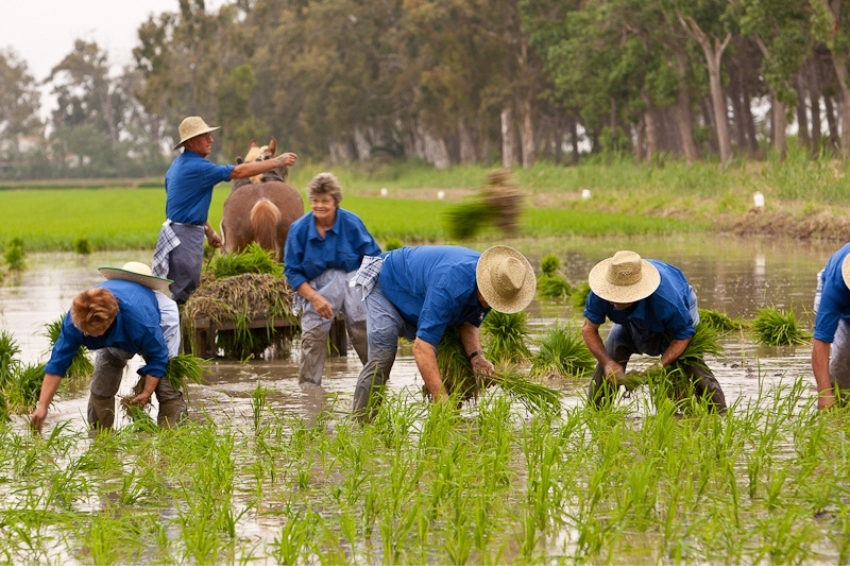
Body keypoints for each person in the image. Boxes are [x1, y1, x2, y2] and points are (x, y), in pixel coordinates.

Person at [351, 245, 536, 418]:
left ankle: (447, 420)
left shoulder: (499, 283)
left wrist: (477, 357)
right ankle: (363, 422)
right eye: (492, 299)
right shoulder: (450, 285)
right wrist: (441, 399)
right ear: (483, 286)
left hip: (421, 296)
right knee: (383, 354)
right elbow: (421, 348)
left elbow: (468, 322)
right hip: (388, 284)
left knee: (449, 356)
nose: (492, 305)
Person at [153, 116, 298, 305]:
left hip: (183, 232)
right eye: (205, 136)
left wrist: (210, 232)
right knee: (185, 292)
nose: (210, 140)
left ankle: (179, 331)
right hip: (186, 238)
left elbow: (183, 207)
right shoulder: (197, 167)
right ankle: (178, 333)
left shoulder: (176, 167)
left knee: (183, 289)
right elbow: (238, 172)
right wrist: (277, 162)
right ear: (190, 142)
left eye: (209, 136)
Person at [31, 262, 186, 432]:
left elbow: (158, 358)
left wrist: (146, 392)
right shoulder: (76, 322)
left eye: (90, 332)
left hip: (148, 325)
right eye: (83, 329)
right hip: (119, 329)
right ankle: (100, 439)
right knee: (102, 384)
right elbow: (57, 365)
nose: (84, 336)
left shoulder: (142, 323)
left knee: (167, 386)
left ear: (109, 324)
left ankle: (173, 438)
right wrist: (42, 406)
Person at [582, 250, 726, 411]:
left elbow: (684, 334)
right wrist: (608, 363)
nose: (611, 300)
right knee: (611, 353)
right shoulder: (602, 292)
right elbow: (588, 329)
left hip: (677, 312)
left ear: (633, 295)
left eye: (619, 296)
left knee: (689, 363)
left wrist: (660, 364)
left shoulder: (667, 301)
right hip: (629, 319)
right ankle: (595, 412)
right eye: (612, 293)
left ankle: (719, 413)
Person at [284, 172, 381, 386]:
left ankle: (376, 382)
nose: (320, 206)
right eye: (315, 201)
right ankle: (309, 391)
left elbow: (373, 259)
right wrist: (315, 299)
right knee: (313, 336)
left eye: (325, 201)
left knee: (363, 328)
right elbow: (292, 271)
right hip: (316, 288)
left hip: (353, 284)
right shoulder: (299, 230)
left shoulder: (352, 224)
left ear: (335, 201)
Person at [812, 242, 850, 410]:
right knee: (843, 361)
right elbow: (821, 341)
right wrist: (824, 395)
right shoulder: (835, 286)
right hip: (833, 284)